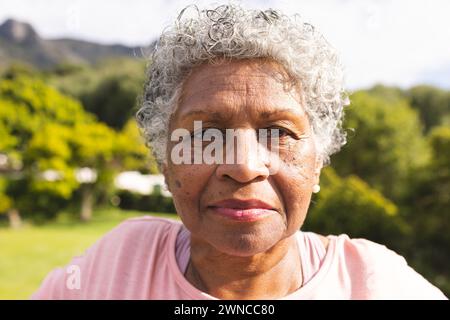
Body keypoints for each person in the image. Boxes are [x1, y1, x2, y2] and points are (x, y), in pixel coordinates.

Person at [32, 4, 446, 300]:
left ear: (318, 162)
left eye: (278, 132)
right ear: (165, 160)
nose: (244, 166)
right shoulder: (120, 263)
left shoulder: (372, 283)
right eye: (204, 134)